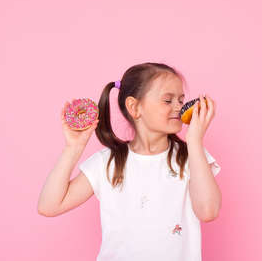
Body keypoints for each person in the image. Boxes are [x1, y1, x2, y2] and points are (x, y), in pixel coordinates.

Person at [37, 62, 222, 261]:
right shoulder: (107, 162)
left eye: (181, 99)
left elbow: (208, 211)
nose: (178, 107)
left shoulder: (191, 156)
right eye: (168, 100)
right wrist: (73, 148)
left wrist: (195, 140)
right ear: (134, 107)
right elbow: (49, 206)